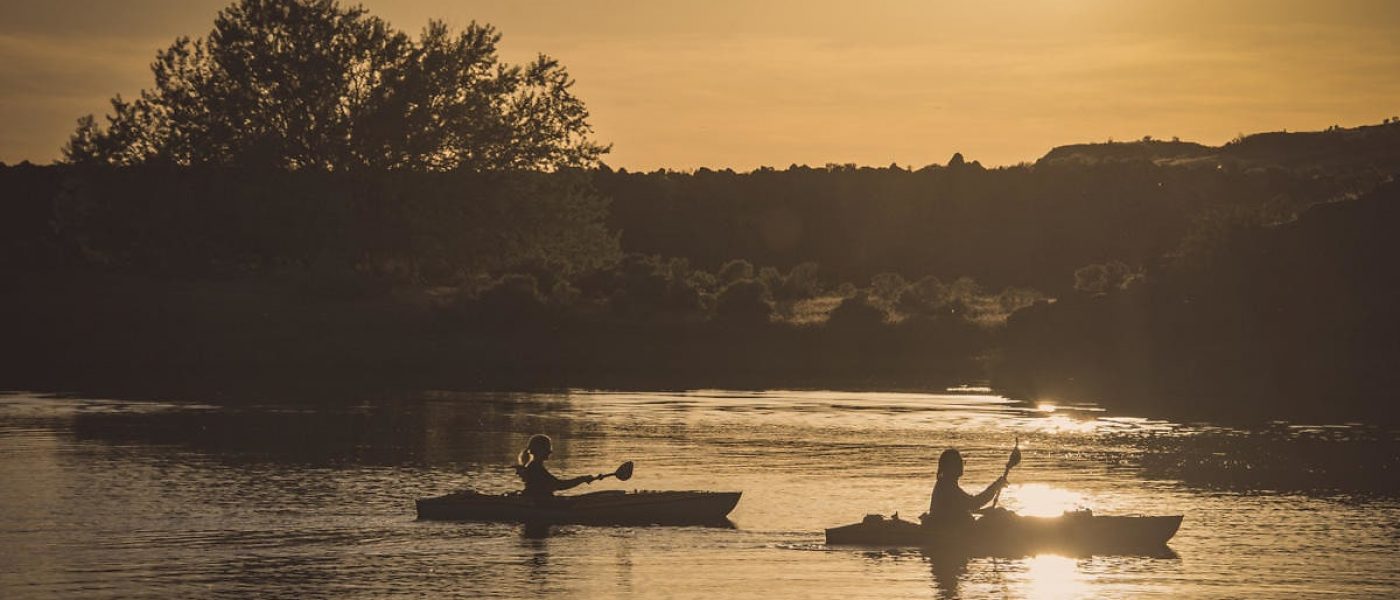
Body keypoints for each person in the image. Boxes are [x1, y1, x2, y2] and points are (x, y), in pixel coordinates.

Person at [923, 448, 1008, 526]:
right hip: (950, 530)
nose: (961, 466)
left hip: (953, 526)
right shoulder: (947, 487)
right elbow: (973, 503)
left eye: (961, 462)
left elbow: (960, 508)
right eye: (958, 463)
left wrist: (984, 511)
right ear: (949, 466)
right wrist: (995, 486)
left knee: (1000, 513)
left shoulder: (946, 484)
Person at [514, 434, 596, 500]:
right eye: (547, 449)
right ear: (539, 450)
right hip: (539, 503)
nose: (550, 452)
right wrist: (582, 479)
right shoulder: (535, 468)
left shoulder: (534, 465)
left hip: (540, 501)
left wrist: (582, 479)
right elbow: (559, 485)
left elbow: (556, 484)